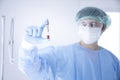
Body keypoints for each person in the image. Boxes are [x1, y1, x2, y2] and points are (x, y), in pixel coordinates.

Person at [18, 7, 120, 80]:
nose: (88, 28)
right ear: (78, 27)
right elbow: (31, 68)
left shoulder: (112, 61)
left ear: (103, 28)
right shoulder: (60, 54)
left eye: (93, 24)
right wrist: (27, 45)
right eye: (83, 24)